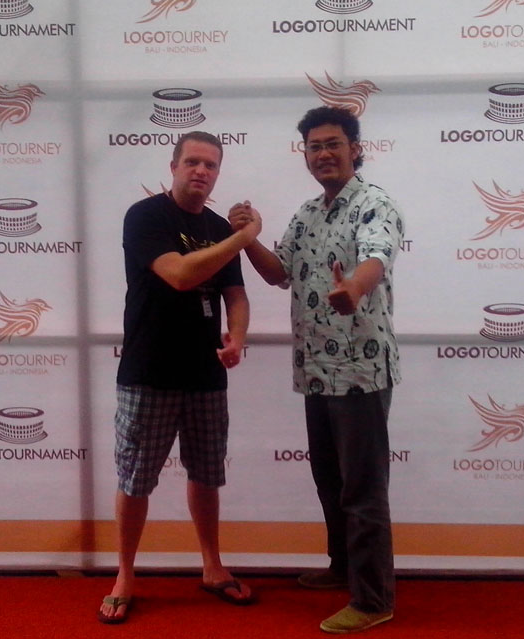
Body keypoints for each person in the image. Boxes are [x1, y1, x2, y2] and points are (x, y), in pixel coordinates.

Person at [229, 106, 403, 634]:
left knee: (362, 490)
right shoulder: (306, 214)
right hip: (317, 369)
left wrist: (354, 288)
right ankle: (342, 568)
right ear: (305, 155)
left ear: (355, 149)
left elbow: (375, 258)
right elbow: (278, 272)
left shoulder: (376, 204)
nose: (324, 153)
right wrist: (248, 236)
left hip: (361, 369)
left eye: (333, 144)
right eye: (314, 146)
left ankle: (373, 600)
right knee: (330, 480)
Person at [99, 131, 262, 624]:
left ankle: (212, 566)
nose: (201, 171)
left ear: (218, 173)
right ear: (173, 166)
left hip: (205, 372)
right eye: (192, 162)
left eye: (210, 165)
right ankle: (124, 574)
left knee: (207, 474)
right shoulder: (145, 216)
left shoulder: (218, 226)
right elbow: (180, 274)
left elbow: (235, 294)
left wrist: (237, 337)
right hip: (148, 371)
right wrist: (244, 237)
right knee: (136, 480)